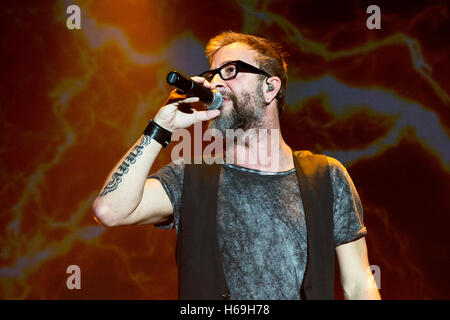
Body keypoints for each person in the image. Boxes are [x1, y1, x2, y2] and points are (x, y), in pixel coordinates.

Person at [92, 31, 381, 300]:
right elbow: (110, 210)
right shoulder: (191, 177)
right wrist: (160, 127)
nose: (215, 83)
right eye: (212, 74)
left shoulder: (326, 176)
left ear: (270, 87)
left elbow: (358, 282)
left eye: (229, 71)